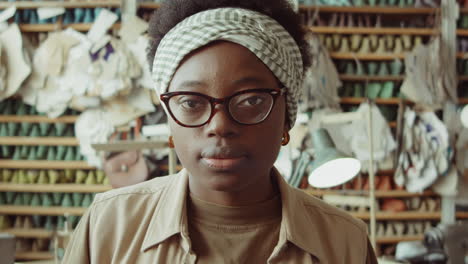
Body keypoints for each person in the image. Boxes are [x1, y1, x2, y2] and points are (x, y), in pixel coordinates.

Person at [63, 0, 378, 263]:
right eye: (191, 102)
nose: (219, 126)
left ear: (286, 117)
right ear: (169, 119)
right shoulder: (108, 228)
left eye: (251, 100)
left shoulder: (344, 244)